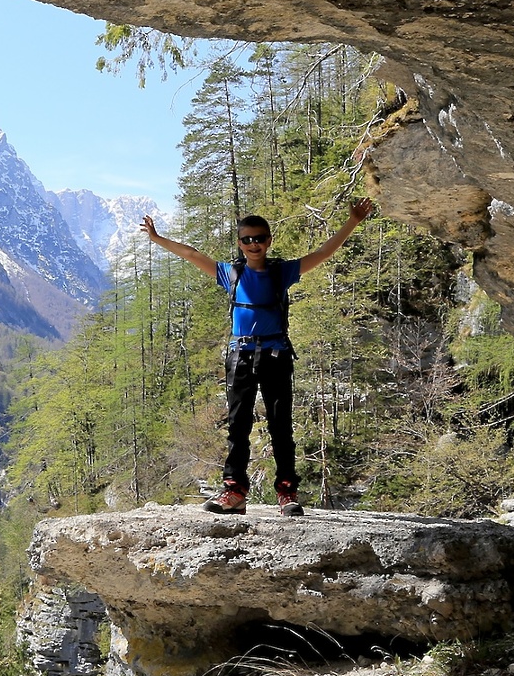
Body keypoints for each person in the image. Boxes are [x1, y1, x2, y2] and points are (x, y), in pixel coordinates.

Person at [141, 199, 375, 515]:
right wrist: (157, 239)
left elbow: (322, 253)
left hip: (276, 356)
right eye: (247, 239)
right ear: (239, 243)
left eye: (259, 238)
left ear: (269, 240)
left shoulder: (282, 272)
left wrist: (353, 222)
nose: (254, 244)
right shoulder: (230, 273)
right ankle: (234, 492)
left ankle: (287, 494)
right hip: (240, 356)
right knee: (238, 426)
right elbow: (192, 254)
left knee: (281, 427)